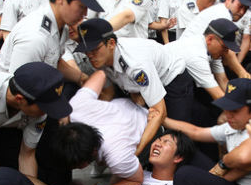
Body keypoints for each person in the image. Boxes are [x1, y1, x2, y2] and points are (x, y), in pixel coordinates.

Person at [74, 19, 191, 152]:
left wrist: (135, 152)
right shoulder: (99, 58)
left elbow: (160, 112)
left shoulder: (135, 65)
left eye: (94, 49)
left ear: (111, 43)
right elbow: (109, 93)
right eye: (86, 51)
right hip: (141, 86)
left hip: (172, 79)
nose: (89, 55)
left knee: (177, 138)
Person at [0, 0, 103, 79]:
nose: (85, 14)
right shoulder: (35, 37)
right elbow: (18, 86)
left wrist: (81, 78)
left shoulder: (61, 25)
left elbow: (55, 60)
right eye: (81, 7)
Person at [181, 0, 251, 80]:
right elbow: (229, 53)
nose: (242, 12)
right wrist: (242, 72)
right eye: (240, 6)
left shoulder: (221, 11)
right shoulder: (223, 15)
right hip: (187, 62)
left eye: (245, 9)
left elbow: (219, 61)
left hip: (196, 60)